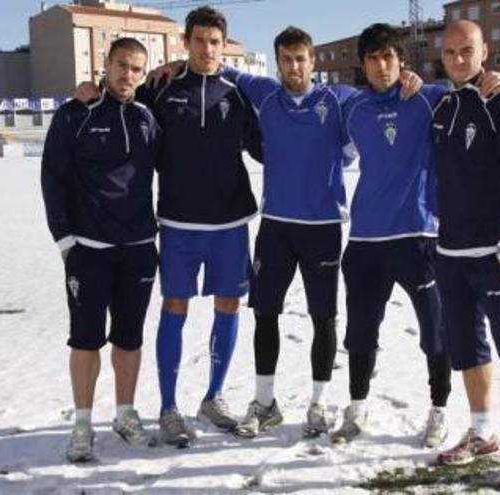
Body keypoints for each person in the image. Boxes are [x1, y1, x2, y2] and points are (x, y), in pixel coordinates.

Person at [142, 27, 423, 440]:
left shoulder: (340, 99)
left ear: (313, 61)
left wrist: (409, 80)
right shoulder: (264, 93)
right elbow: (222, 67)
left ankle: (317, 402)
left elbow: (383, 90)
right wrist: (178, 64)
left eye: (301, 59)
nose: (294, 67)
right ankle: (264, 402)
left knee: (323, 318)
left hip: (324, 226)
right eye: (287, 60)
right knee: (265, 314)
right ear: (278, 63)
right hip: (275, 225)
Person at [78, 7, 263, 448]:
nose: (207, 49)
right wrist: (90, 89)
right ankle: (168, 407)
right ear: (185, 42)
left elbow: (264, 147)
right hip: (178, 222)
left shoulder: (238, 95)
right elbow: (121, 100)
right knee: (174, 309)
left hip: (230, 222)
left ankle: (214, 397)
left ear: (224, 45)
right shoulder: (161, 89)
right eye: (199, 40)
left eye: (215, 41)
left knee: (229, 307)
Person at [331, 23, 500, 446]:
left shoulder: (428, 98)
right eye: (372, 58)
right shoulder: (351, 109)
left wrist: (493, 79)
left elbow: (471, 87)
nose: (381, 65)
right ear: (362, 64)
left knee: (435, 330)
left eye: (388, 57)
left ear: (402, 61)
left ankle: (438, 411)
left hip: (421, 235)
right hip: (366, 239)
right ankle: (356, 409)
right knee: (360, 331)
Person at [431, 20, 500, 490]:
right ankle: (481, 432)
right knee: (466, 348)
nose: (459, 59)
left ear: (485, 50)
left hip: (495, 251)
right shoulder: (442, 106)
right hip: (450, 250)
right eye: (451, 52)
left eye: (467, 50)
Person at [41, 37, 160, 463]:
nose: (127, 75)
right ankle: (81, 424)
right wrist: (65, 241)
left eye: (136, 69)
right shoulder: (76, 114)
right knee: (86, 340)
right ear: (105, 66)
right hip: (89, 249)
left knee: (129, 339)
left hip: (140, 247)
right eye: (121, 66)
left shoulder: (148, 118)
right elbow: (52, 177)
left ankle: (125, 414)